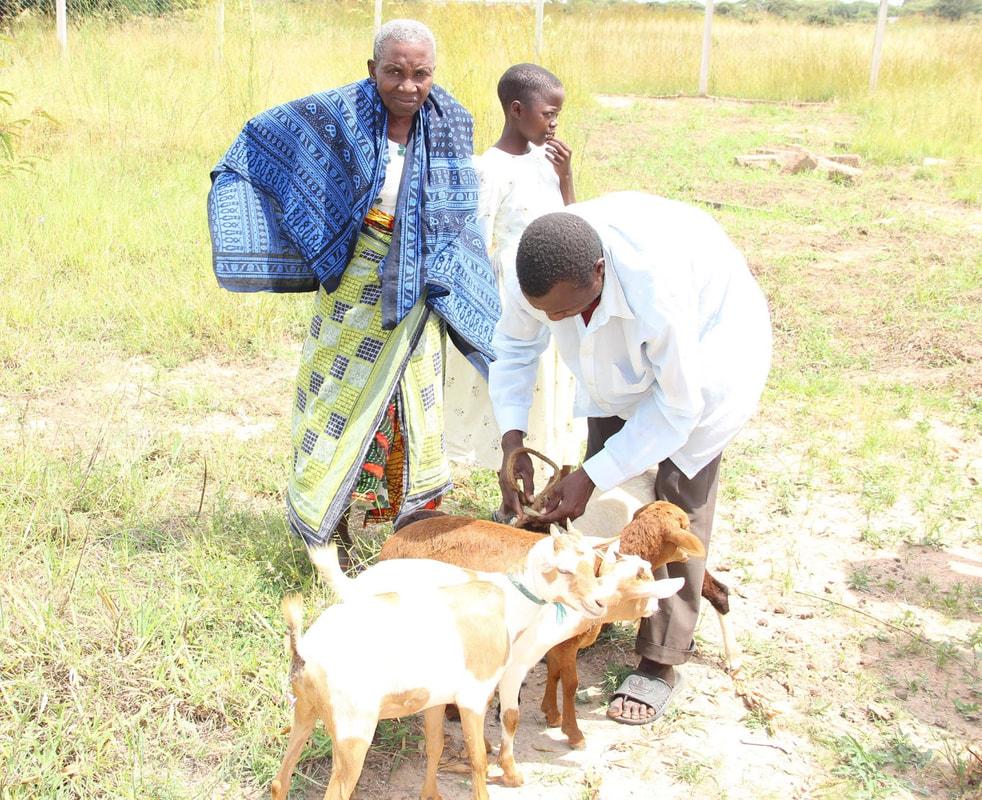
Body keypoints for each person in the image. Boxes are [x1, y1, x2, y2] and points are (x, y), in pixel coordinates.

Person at [208, 20, 499, 557]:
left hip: (415, 297)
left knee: (414, 407)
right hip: (350, 289)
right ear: (373, 70)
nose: (407, 86)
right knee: (333, 402)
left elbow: (457, 215)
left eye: (420, 74)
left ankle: (413, 536)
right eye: (394, 72)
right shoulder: (339, 116)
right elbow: (260, 141)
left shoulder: (453, 122)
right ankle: (328, 523)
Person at [488, 192, 771, 725]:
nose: (558, 320)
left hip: (708, 360)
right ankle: (598, 610)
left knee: (674, 509)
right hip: (619, 372)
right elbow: (515, 349)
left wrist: (592, 475)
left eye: (567, 311)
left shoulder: (655, 285)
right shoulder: (536, 268)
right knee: (603, 497)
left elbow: (677, 408)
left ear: (598, 272)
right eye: (549, 313)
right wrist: (511, 440)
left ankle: (662, 658)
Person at [444, 64, 585, 515]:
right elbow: (476, 239)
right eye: (548, 114)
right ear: (517, 110)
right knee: (512, 389)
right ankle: (511, 493)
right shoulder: (490, 169)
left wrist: (566, 177)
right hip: (513, 294)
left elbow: (575, 226)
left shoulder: (548, 163)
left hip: (555, 294)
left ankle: (541, 493)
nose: (554, 124)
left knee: (547, 390)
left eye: (558, 115)